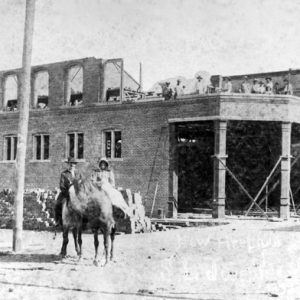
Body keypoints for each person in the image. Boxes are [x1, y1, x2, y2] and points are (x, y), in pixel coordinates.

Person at [54, 157, 79, 227]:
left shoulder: (78, 173)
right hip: (66, 193)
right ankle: (58, 220)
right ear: (68, 164)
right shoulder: (64, 174)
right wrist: (67, 193)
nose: (72, 165)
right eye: (71, 164)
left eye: (73, 164)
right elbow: (62, 185)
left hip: (77, 194)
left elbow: (82, 182)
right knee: (58, 204)